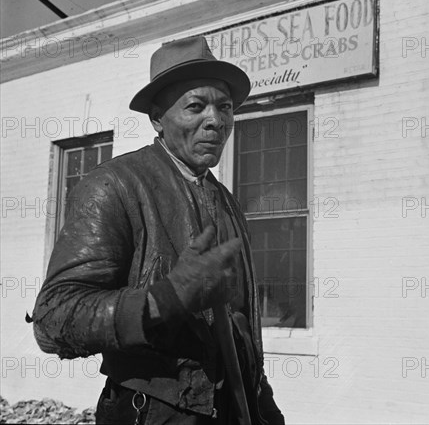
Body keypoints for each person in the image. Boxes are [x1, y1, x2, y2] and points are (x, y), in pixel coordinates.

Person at [32, 36, 285, 425]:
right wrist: (164, 299)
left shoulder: (229, 203)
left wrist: (265, 409)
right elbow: (53, 320)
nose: (216, 121)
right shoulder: (114, 186)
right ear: (157, 119)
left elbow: (242, 329)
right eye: (196, 106)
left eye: (225, 107)